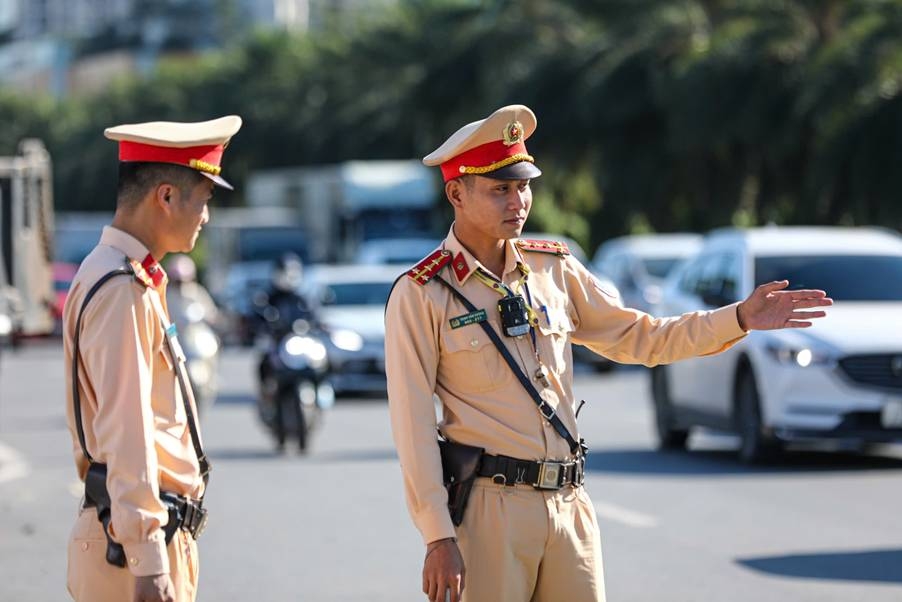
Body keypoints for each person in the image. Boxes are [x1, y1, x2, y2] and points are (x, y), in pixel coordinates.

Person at [383, 104, 832, 602]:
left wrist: (739, 318)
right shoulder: (423, 292)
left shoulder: (553, 270)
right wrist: (438, 535)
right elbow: (412, 422)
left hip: (569, 507)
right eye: (500, 189)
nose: (519, 201)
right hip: (490, 513)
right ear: (456, 194)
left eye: (524, 186)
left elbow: (644, 337)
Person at [63, 115, 242, 602]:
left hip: (136, 540)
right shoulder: (123, 289)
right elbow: (128, 429)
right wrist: (147, 557)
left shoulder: (123, 276)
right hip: (129, 554)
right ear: (165, 196)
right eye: (203, 200)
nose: (206, 217)